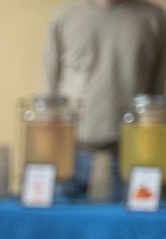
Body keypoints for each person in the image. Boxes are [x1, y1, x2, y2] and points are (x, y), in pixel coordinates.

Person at [44, 0, 166, 201]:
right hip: (70, 153)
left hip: (130, 155)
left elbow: (156, 94)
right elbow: (50, 92)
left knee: (125, 230)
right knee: (62, 229)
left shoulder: (154, 18)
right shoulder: (64, 16)